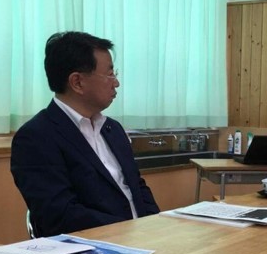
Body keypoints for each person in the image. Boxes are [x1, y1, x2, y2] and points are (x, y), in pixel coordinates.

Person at [11, 31, 159, 237]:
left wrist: (156, 227)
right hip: (92, 253)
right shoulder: (36, 138)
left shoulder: (113, 129)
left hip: (141, 241)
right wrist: (128, 232)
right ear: (77, 82)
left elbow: (137, 188)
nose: (116, 82)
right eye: (109, 74)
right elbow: (59, 216)